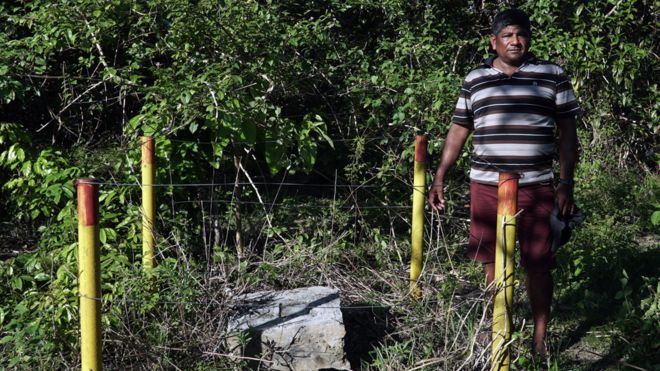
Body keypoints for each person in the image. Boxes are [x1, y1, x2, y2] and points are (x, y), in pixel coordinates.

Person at [427, 8, 580, 357]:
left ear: (528, 38)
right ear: (493, 41)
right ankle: (497, 332)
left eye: (521, 34)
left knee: (539, 263)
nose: (515, 41)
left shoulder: (552, 76)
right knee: (492, 263)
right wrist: (439, 176)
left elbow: (568, 134)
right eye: (507, 35)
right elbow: (458, 130)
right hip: (486, 185)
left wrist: (566, 182)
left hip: (537, 185)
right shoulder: (475, 79)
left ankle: (540, 340)